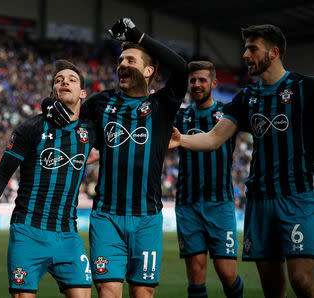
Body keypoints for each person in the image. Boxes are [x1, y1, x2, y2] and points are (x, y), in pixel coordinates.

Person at [43, 18, 188, 298]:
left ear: (149, 70)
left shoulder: (162, 105)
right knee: (108, 292)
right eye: (120, 60)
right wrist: (48, 103)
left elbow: (181, 68)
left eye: (130, 60)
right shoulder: (100, 103)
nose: (122, 64)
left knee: (143, 293)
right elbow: (67, 115)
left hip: (147, 218)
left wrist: (138, 36)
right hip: (106, 217)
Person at [170, 25, 313, 298]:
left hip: (296, 196)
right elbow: (213, 138)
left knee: (302, 281)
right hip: (259, 201)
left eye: (252, 48)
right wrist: (181, 140)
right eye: (245, 48)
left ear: (273, 52)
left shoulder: (305, 88)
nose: (245, 54)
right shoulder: (247, 97)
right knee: (272, 288)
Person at [0, 60, 98, 298]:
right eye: (59, 80)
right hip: (28, 233)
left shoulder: (89, 130)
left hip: (68, 235)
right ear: (51, 93)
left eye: (72, 79)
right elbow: (2, 173)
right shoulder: (31, 128)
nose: (65, 81)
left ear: (83, 93)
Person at [174, 61, 243, 297]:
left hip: (220, 203)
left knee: (226, 271)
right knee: (195, 269)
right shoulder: (179, 116)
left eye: (202, 80)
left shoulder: (229, 113)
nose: (196, 84)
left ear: (213, 83)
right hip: (187, 203)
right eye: (193, 80)